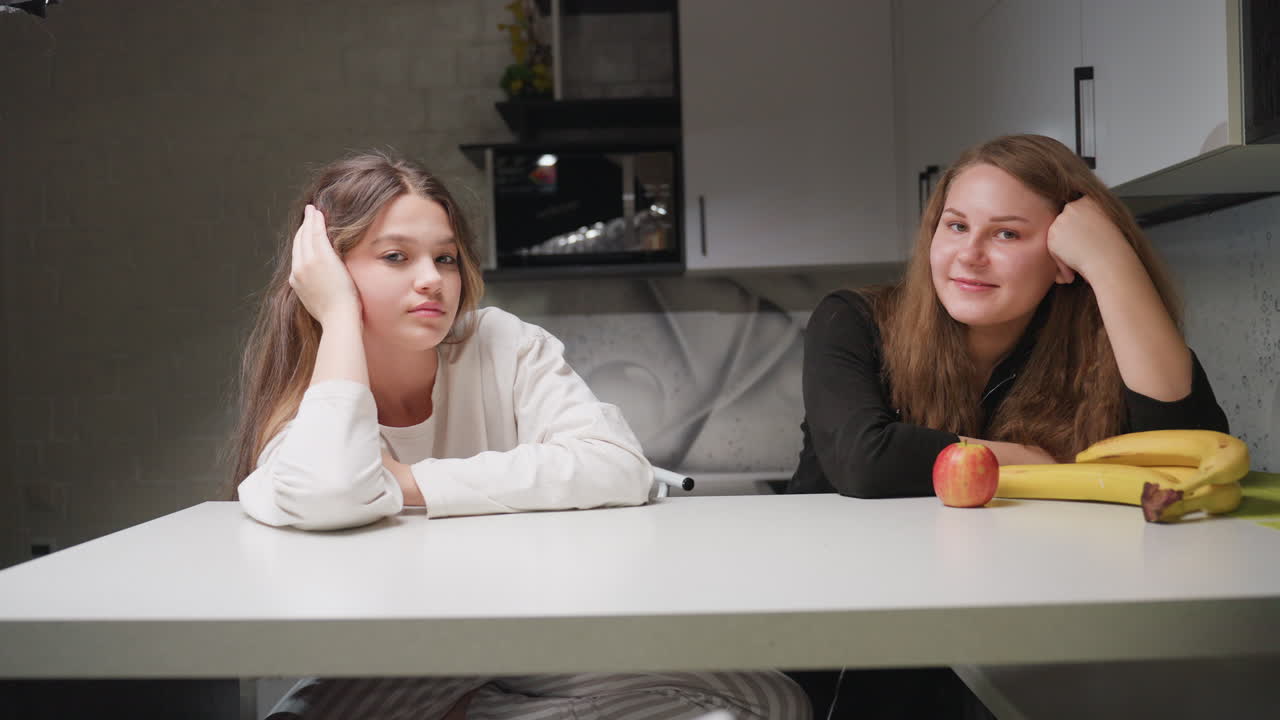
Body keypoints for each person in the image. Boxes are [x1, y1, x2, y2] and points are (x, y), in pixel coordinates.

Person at [228, 151, 811, 719]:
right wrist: (337, 319)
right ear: (326, 271)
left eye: (447, 258)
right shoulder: (312, 397)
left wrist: (409, 484)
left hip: (527, 630)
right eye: (396, 256)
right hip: (400, 656)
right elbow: (332, 490)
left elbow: (616, 464)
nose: (431, 280)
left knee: (778, 700)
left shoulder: (499, 343)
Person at [784, 133, 1229, 718]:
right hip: (845, 633)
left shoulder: (1093, 351)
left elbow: (1189, 454)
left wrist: (1111, 260)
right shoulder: (854, 321)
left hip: (1016, 633)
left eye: (1008, 234)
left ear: (1063, 258)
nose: (969, 256)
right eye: (956, 226)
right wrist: (1032, 459)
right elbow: (867, 460)